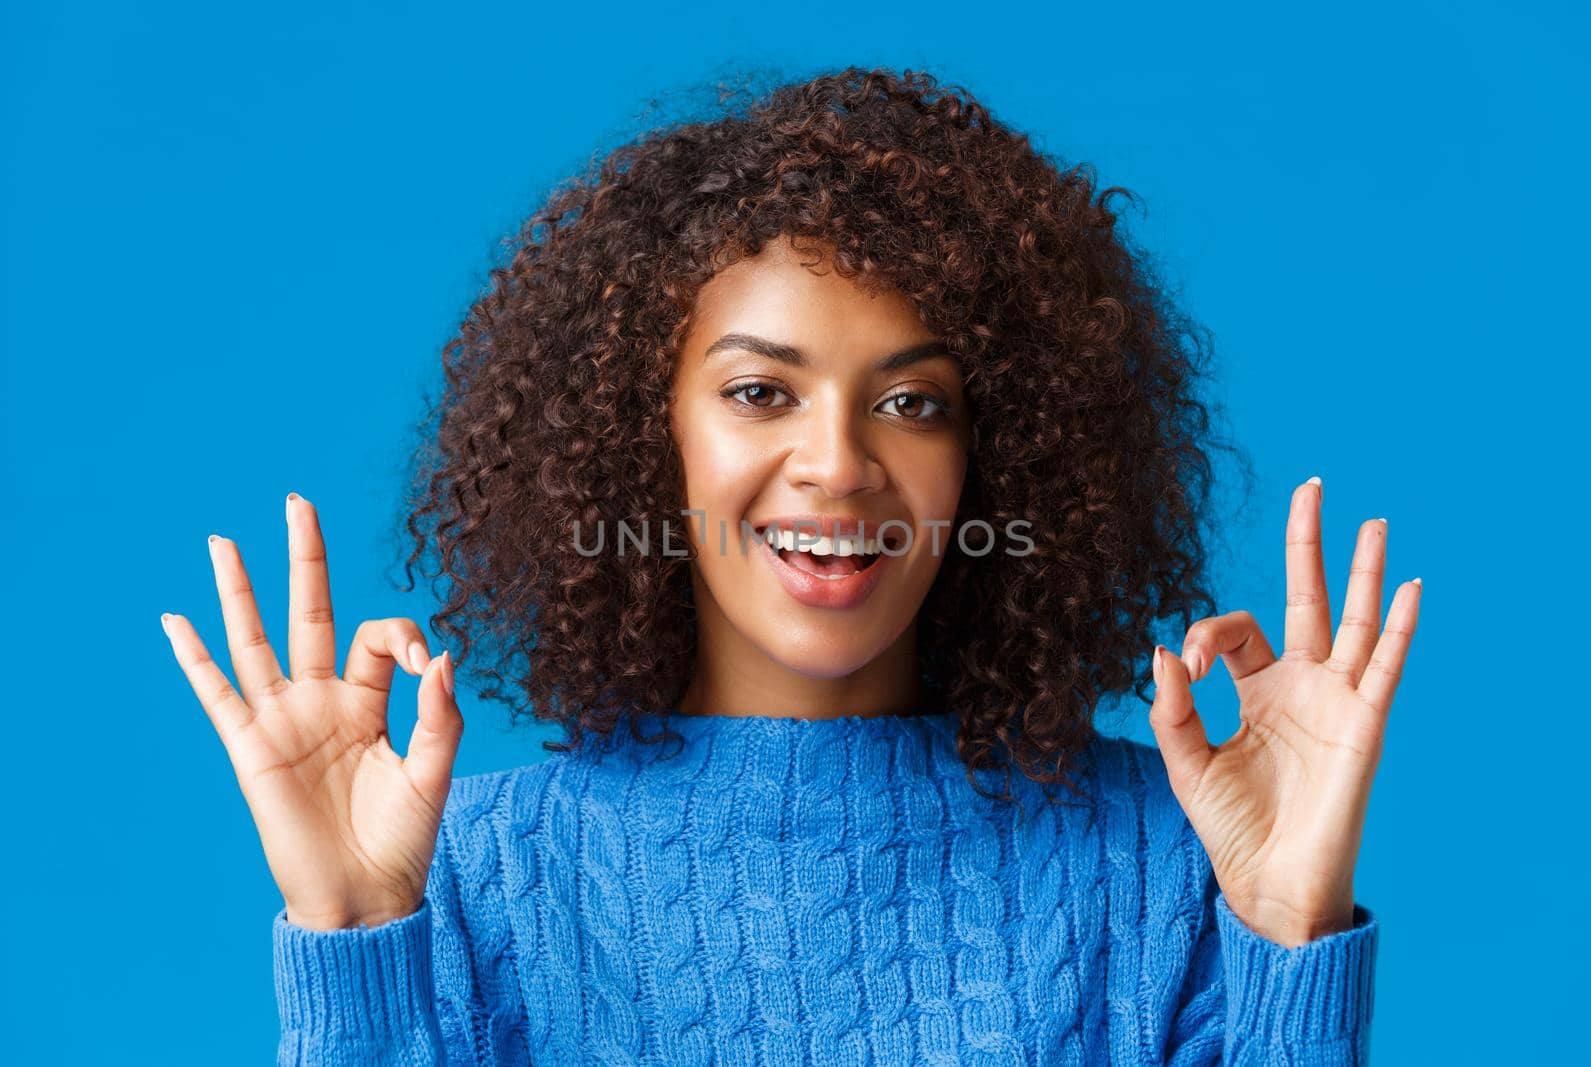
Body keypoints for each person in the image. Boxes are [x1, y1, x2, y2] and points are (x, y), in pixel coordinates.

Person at [160, 66, 1419, 1065]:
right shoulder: (461, 875)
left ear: (1006, 457)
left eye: (914, 403)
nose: (837, 464)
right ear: (638, 432)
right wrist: (355, 948)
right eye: (760, 391)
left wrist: (1289, 936)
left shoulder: (1171, 855)